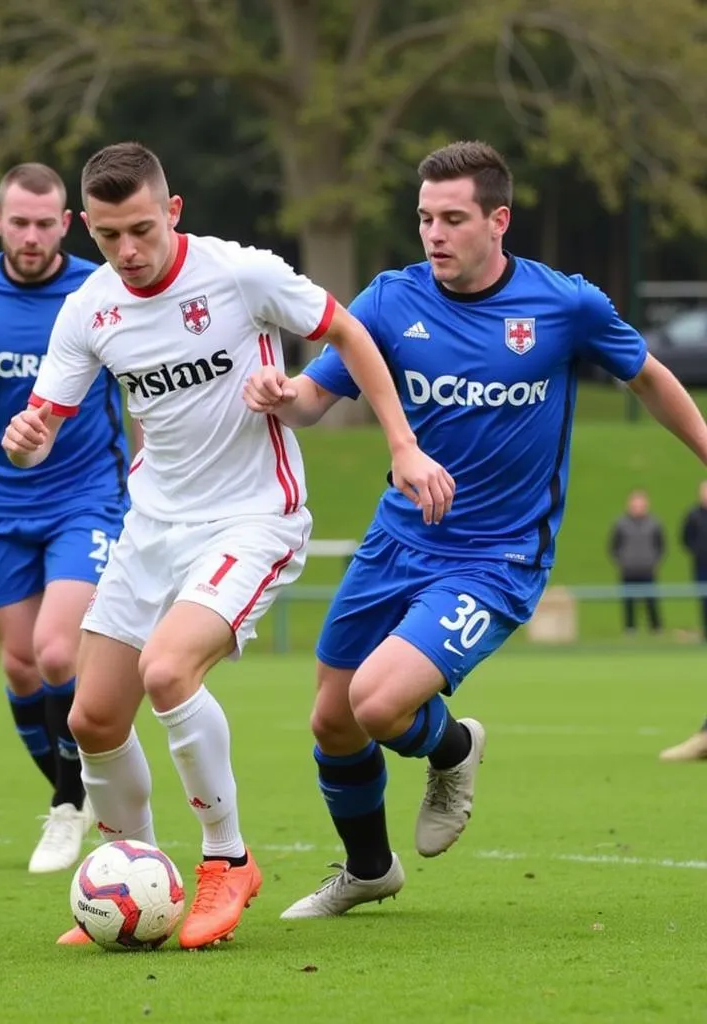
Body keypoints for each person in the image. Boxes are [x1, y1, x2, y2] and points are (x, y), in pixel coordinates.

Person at [1, 142, 453, 949]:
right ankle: (129, 875)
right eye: (109, 238)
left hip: (253, 518)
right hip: (151, 527)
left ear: (173, 211)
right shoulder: (89, 308)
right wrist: (26, 439)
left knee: (168, 670)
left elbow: (347, 331)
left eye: (141, 229)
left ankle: (226, 860)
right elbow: (39, 433)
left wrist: (402, 442)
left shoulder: (240, 274)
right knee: (93, 719)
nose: (128, 253)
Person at [242, 140, 707, 919]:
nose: (434, 233)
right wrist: (276, 390)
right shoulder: (390, 302)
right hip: (398, 540)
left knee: (379, 703)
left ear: (499, 220)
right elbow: (314, 401)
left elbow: (651, 378)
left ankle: (453, 750)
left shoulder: (565, 306)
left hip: (497, 556)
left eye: (452, 218)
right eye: (424, 218)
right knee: (331, 717)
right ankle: (368, 870)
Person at [0, 163, 132, 874]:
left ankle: (69, 807)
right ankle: (75, 795)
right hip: (3, 498)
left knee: (57, 651)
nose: (33, 235)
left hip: (88, 494)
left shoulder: (99, 289)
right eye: (21, 222)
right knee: (18, 667)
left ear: (67, 223)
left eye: (47, 223)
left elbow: (143, 379)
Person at [608, 489, 665, 634]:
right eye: (635, 503)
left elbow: (660, 545)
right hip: (628, 569)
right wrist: (622, 561)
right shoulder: (621, 524)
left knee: (651, 600)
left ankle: (656, 628)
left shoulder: (654, 523)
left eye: (641, 503)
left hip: (647, 569)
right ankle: (630, 628)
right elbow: (613, 546)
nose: (638, 506)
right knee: (628, 601)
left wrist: (654, 561)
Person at [680, 481, 707, 640]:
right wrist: (696, 550)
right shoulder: (693, 515)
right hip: (701, 564)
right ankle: (705, 632)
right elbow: (685, 537)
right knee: (704, 599)